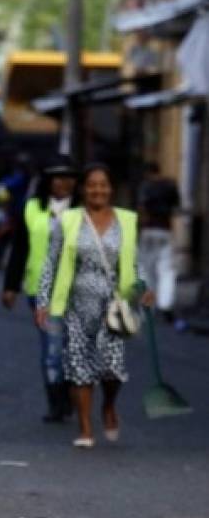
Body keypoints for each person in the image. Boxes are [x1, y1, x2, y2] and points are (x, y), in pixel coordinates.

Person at [37, 163, 154, 448]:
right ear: (83, 189)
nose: (97, 190)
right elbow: (50, 263)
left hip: (113, 304)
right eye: (92, 185)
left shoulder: (126, 221)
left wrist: (143, 288)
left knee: (112, 369)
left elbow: (135, 262)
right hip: (77, 305)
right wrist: (44, 301)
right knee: (79, 367)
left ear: (111, 189)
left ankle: (109, 405)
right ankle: (86, 429)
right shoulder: (68, 221)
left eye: (103, 185)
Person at [2, 156, 78, 422]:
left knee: (72, 348)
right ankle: (56, 402)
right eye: (57, 176)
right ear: (47, 181)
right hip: (41, 291)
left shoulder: (86, 211)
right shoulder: (32, 208)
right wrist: (11, 286)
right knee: (52, 349)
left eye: (69, 176)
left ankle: (68, 391)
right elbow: (20, 248)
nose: (63, 182)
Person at [137, 162, 181, 326]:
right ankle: (165, 304)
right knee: (166, 270)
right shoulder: (170, 186)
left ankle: (148, 307)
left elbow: (141, 208)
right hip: (165, 230)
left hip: (148, 231)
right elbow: (177, 207)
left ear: (148, 173)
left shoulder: (145, 187)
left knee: (148, 271)